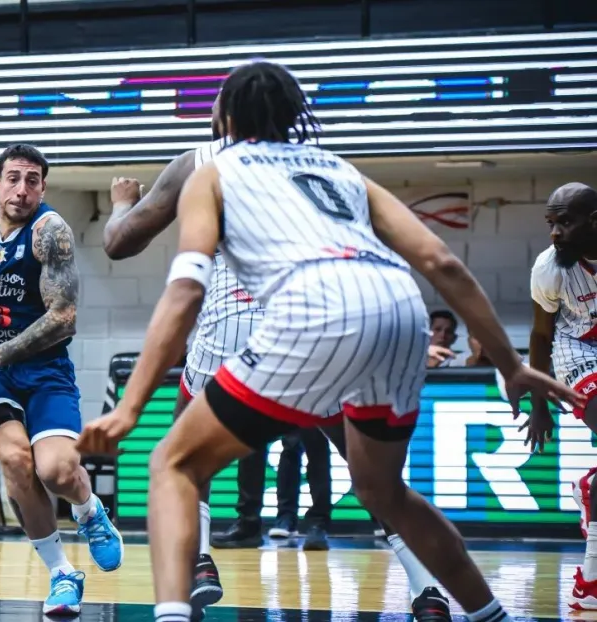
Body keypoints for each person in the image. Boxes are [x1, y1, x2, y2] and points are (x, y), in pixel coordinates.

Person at [77, 61, 582, 622]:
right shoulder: (340, 169)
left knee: (172, 462)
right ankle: (486, 612)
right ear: (297, 115)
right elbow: (441, 261)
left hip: (302, 311)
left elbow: (184, 290)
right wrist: (509, 364)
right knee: (381, 488)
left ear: (222, 115)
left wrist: (128, 406)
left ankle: (181, 599)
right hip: (396, 310)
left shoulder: (209, 168)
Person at [102, 93, 445, 618]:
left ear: (226, 119)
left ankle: (197, 562)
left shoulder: (201, 160)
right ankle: (427, 588)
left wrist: (124, 202)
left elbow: (119, 244)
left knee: (180, 458)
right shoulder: (324, 164)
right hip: (320, 324)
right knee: (375, 479)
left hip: (233, 324)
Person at [0, 143, 123, 616]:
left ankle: (88, 511)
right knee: (16, 459)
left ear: (43, 186)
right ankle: (61, 573)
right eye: (13, 178)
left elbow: (65, 317)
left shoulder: (49, 231)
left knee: (56, 470)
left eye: (32, 179)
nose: (22, 188)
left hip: (43, 369)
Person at [526, 182, 597, 610]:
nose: (555, 233)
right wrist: (539, 404)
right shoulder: (549, 267)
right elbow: (539, 335)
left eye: (565, 223)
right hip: (577, 352)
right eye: (551, 223)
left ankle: (590, 582)